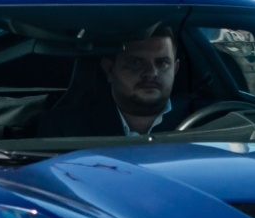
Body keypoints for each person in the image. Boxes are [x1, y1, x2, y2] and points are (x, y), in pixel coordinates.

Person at [36, 31, 181, 138]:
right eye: (136, 62)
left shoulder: (200, 121)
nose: (151, 73)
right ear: (110, 69)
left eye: (162, 63)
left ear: (175, 69)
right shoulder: (64, 128)